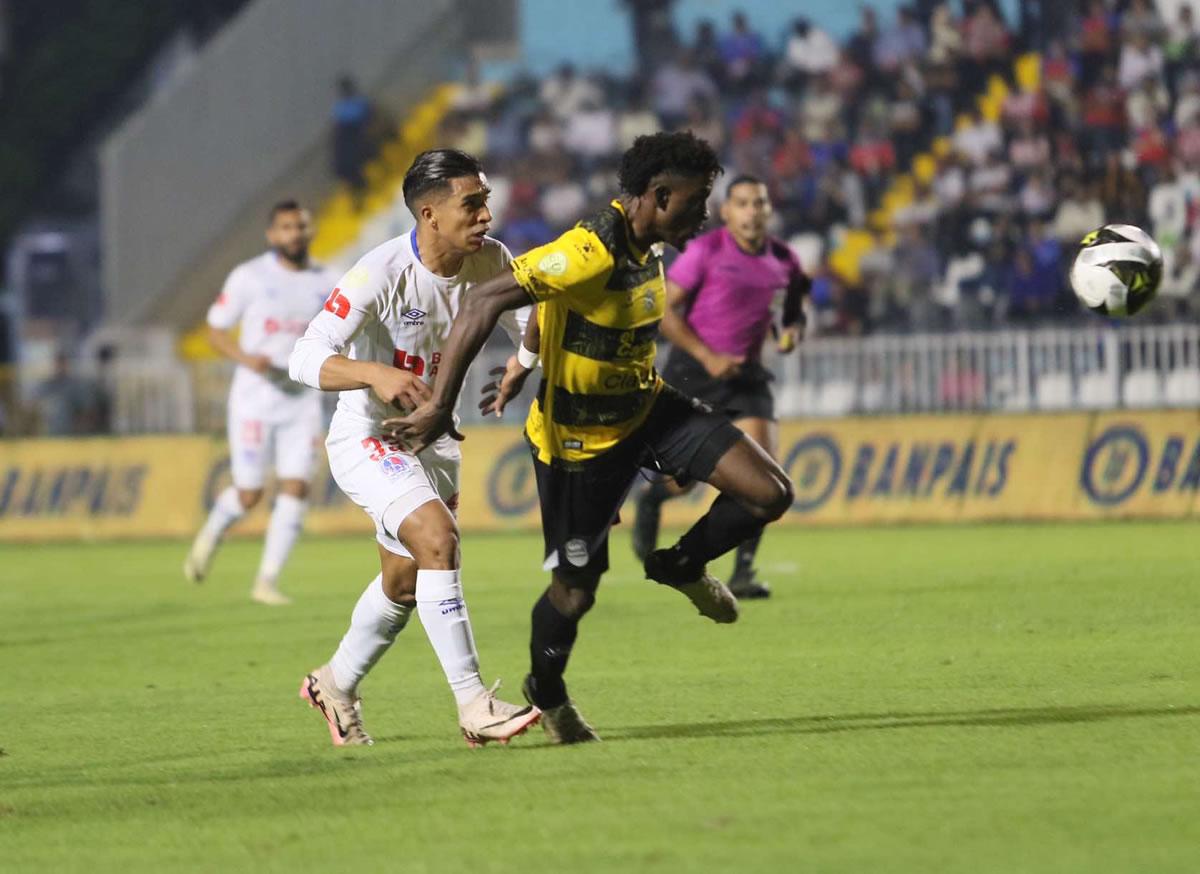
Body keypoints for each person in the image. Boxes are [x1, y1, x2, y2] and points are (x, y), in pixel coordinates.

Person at [391, 133, 795, 744]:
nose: (704, 213)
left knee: (768, 493)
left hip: (649, 409)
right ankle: (546, 694)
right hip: (578, 443)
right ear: (659, 196)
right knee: (574, 595)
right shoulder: (592, 248)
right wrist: (441, 404)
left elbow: (555, 311)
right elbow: (485, 299)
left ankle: (679, 565)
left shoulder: (649, 247)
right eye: (698, 200)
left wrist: (523, 362)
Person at [287, 149, 541, 748]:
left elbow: (530, 326)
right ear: (429, 213)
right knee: (437, 540)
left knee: (404, 582)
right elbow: (304, 356)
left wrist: (522, 364)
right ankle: (475, 705)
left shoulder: (492, 261)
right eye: (471, 203)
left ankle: (334, 683)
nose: (485, 214)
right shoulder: (379, 272)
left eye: (485, 201)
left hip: (433, 440)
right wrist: (375, 374)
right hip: (370, 437)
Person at [630, 175, 807, 599]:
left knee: (766, 475)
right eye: (743, 203)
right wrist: (707, 355)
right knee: (682, 483)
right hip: (694, 372)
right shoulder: (704, 252)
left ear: (768, 210)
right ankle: (653, 501)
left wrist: (791, 332)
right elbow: (664, 312)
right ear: (727, 212)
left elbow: (794, 311)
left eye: (759, 203)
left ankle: (742, 571)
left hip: (746, 377)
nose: (752, 211)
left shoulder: (785, 259)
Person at [183, 200, 336, 606]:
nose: (294, 234)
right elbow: (216, 331)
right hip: (254, 399)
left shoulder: (327, 280)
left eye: (301, 227)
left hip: (301, 400)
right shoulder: (249, 277)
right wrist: (247, 359)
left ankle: (266, 581)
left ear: (310, 231)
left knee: (297, 486)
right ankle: (212, 533)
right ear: (272, 235)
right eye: (286, 227)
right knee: (249, 493)